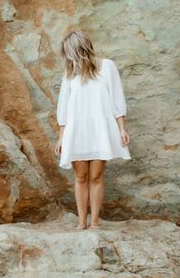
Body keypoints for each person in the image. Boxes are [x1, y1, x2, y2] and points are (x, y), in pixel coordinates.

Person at [54, 30, 131, 230]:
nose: (68, 58)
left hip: (100, 129)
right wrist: (62, 138)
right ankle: (81, 222)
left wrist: (122, 128)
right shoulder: (70, 74)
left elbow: (116, 99)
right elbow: (63, 107)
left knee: (96, 176)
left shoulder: (107, 67)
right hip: (76, 129)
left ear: (80, 49)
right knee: (80, 176)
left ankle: (94, 222)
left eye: (70, 53)